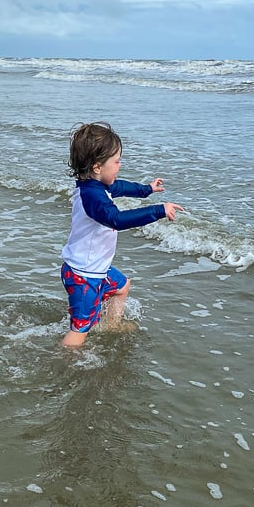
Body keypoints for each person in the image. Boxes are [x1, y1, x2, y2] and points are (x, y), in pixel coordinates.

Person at [60, 122, 183, 347]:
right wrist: (158, 210)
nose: (120, 165)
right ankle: (63, 363)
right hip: (84, 275)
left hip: (94, 269)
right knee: (79, 332)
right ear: (97, 167)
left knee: (121, 286)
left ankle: (111, 327)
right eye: (116, 161)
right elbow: (116, 219)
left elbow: (121, 187)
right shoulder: (92, 197)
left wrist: (147, 189)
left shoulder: (96, 185)